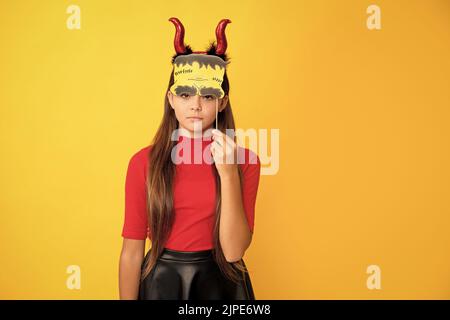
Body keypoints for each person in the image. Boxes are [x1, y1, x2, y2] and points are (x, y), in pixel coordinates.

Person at [118, 17, 261, 300]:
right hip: (162, 283)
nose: (195, 105)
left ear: (222, 101)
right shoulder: (142, 163)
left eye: (208, 96)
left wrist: (229, 174)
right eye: (185, 94)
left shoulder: (246, 162)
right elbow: (132, 253)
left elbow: (233, 251)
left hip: (222, 286)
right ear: (171, 99)